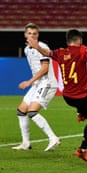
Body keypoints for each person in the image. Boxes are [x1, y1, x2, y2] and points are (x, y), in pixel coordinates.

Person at [27, 29, 87, 161]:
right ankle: (82, 149)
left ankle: (81, 113)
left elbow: (47, 53)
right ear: (78, 40)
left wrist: (37, 46)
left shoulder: (61, 52)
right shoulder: (82, 50)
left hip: (67, 97)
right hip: (81, 97)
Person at [13, 23, 60, 152]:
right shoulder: (27, 49)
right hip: (37, 84)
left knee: (32, 112)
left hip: (47, 83)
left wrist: (29, 81)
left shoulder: (42, 47)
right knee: (21, 110)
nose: (32, 36)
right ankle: (26, 143)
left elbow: (45, 69)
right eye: (29, 33)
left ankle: (53, 138)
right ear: (25, 35)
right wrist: (33, 82)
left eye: (34, 34)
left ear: (38, 35)